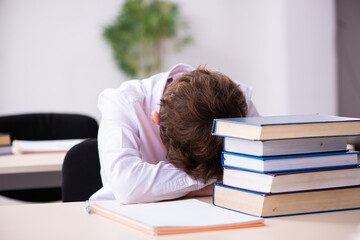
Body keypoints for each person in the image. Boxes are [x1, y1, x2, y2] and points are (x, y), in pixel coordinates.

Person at [90, 63, 259, 203]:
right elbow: (126, 185)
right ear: (156, 120)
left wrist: (176, 189)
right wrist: (210, 178)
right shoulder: (122, 102)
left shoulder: (236, 102)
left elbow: (265, 169)